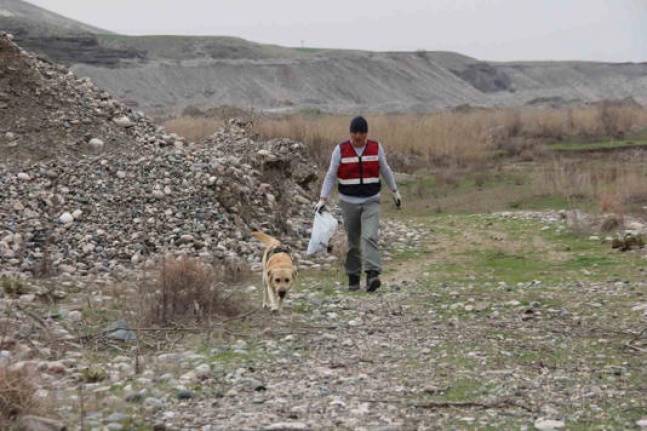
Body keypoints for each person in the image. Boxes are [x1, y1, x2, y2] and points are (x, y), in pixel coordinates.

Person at [315, 116, 401, 292]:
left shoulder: (376, 148)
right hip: (348, 202)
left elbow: (385, 169)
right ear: (350, 133)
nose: (358, 138)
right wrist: (322, 199)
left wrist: (395, 192)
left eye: (361, 134)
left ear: (366, 134)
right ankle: (353, 277)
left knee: (370, 236)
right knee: (353, 242)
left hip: (371, 200)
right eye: (355, 134)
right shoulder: (340, 150)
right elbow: (331, 175)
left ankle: (372, 275)